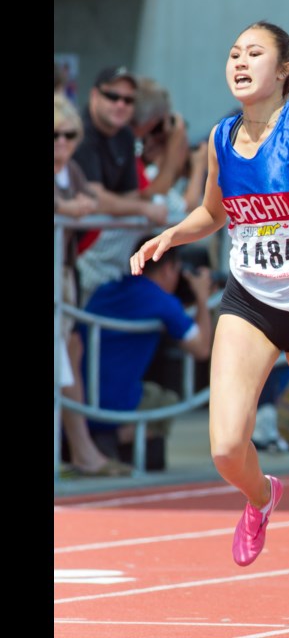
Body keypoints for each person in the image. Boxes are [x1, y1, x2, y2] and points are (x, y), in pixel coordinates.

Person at [130, 21, 289, 637]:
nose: (240, 62)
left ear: (285, 72)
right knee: (224, 447)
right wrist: (172, 234)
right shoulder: (219, 138)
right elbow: (216, 213)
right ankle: (262, 495)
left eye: (254, 54)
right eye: (233, 54)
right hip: (250, 303)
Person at [79, 238, 214, 470]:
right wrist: (202, 297)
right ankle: (113, 439)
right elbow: (201, 349)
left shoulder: (106, 289)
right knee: (166, 400)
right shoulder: (160, 301)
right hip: (113, 406)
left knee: (149, 391)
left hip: (78, 402)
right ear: (169, 268)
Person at [55, 93, 133, 477]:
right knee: (65, 356)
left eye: (70, 136)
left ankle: (81, 452)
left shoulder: (72, 171)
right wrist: (68, 208)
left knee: (68, 352)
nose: (62, 144)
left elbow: (91, 198)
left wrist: (78, 206)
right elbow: (77, 205)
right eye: (55, 135)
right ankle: (82, 452)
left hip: (65, 275)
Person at [73, 66, 168, 303]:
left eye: (128, 100)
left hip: (87, 255)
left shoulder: (124, 135)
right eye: (112, 96)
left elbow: (132, 195)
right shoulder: (79, 131)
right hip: (73, 250)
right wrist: (143, 208)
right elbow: (95, 198)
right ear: (95, 95)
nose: (120, 105)